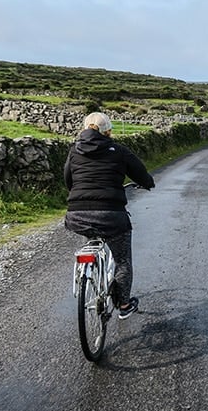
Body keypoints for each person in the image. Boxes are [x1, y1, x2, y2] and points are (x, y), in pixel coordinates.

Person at [64, 112, 155, 319]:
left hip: (77, 214)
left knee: (92, 233)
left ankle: (92, 275)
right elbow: (141, 174)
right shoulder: (118, 151)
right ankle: (123, 305)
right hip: (111, 215)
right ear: (108, 130)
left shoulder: (73, 151)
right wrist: (148, 182)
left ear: (85, 128)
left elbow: (68, 181)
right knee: (122, 261)